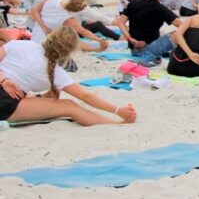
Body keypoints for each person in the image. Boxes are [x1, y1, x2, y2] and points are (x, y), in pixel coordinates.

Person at [0, 27, 137, 126]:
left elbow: (49, 98)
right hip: (5, 103)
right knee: (69, 106)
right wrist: (118, 110)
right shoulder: (56, 72)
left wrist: (4, 79)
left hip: (6, 92)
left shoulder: (21, 45)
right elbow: (86, 96)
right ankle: (114, 124)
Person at [116, 0, 182, 63]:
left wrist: (130, 38)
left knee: (162, 33)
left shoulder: (134, 3)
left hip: (134, 50)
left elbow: (120, 22)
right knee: (179, 32)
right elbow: (181, 25)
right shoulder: (160, 8)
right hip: (149, 50)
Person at [29, 0, 108, 51]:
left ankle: (96, 49)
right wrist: (99, 40)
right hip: (46, 40)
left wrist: (42, 26)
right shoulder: (68, 19)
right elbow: (84, 32)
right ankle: (96, 49)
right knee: (73, 38)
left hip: (36, 33)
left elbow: (35, 11)